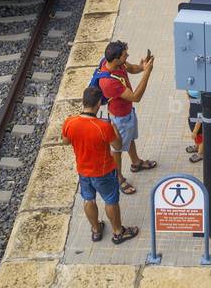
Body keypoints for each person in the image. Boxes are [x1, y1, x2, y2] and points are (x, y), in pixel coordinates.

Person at [61, 86, 139, 244]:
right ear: (98, 104)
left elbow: (66, 141)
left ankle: (96, 230)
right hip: (104, 172)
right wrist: (114, 128)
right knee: (111, 201)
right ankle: (118, 232)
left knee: (88, 199)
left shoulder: (69, 122)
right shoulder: (103, 126)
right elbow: (118, 146)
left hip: (83, 171)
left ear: (84, 102)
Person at [97, 41, 158, 193]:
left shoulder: (116, 63)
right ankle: (118, 178)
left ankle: (136, 162)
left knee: (130, 138)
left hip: (127, 112)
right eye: (125, 55)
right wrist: (147, 72)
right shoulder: (109, 82)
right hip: (119, 118)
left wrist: (142, 66)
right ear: (116, 59)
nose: (128, 56)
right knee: (117, 149)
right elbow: (136, 97)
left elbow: (131, 68)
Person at [185, 90, 203, 163]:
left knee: (201, 139)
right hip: (193, 121)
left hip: (199, 127)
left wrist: (195, 131)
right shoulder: (193, 100)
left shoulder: (201, 103)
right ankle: (197, 146)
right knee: (197, 138)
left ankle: (200, 154)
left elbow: (200, 119)